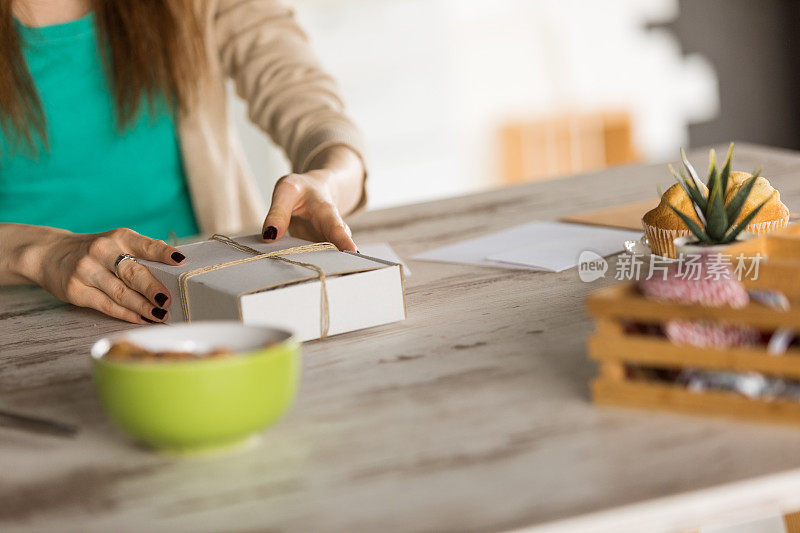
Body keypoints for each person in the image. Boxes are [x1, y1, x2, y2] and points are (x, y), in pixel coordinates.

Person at [0, 0, 367, 324]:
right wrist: (40, 254)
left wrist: (331, 178)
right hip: (19, 322)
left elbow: (305, 97)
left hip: (205, 305)